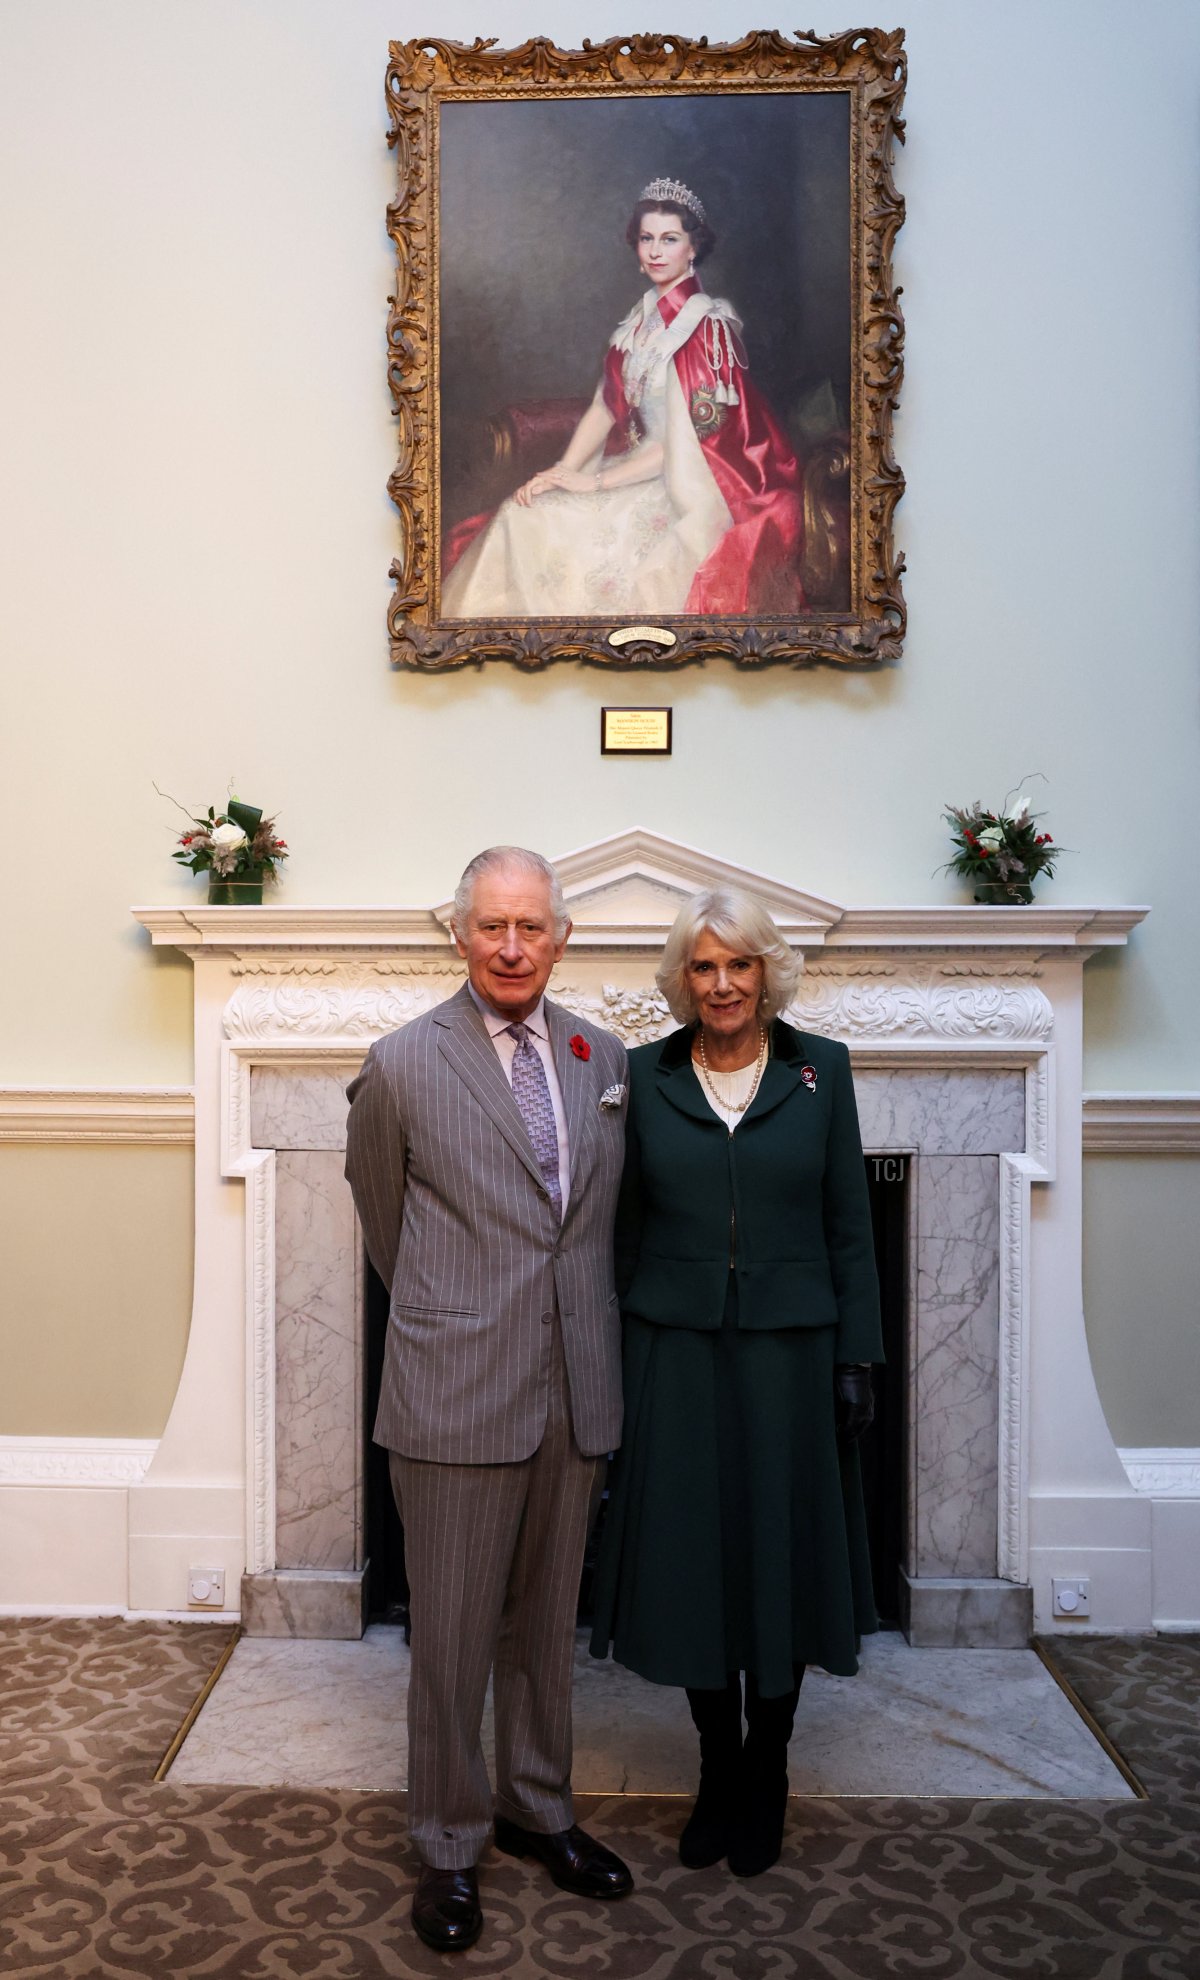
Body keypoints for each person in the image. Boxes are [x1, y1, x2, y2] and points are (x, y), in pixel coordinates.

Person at [345, 847, 633, 1953]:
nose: (512, 948)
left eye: (532, 928)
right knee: (454, 1638)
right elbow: (385, 1221)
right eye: (491, 927)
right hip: (455, 1395)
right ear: (458, 934)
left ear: (561, 939)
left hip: (575, 1392)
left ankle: (538, 1810)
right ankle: (451, 1842)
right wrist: (460, 1320)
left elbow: (597, 1225)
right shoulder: (402, 1064)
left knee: (545, 1630)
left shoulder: (599, 1055)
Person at [589, 886, 881, 1877]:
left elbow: (853, 1221)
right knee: (694, 1562)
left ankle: (770, 1767)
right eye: (705, 967)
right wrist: (609, 1357)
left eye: (740, 965)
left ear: (767, 974)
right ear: (684, 979)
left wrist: (858, 1356)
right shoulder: (638, 1076)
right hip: (671, 1352)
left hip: (794, 1353)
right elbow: (617, 1231)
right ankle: (718, 1766)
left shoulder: (821, 1073)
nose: (722, 984)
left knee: (782, 1556)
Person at [441, 176, 807, 619]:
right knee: (522, 513)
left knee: (570, 542)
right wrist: (561, 472)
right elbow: (604, 406)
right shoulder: (640, 319)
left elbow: (684, 447)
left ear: (693, 248)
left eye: (669, 239)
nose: (655, 251)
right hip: (633, 470)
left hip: (683, 486)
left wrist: (592, 483)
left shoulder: (703, 328)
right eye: (646, 239)